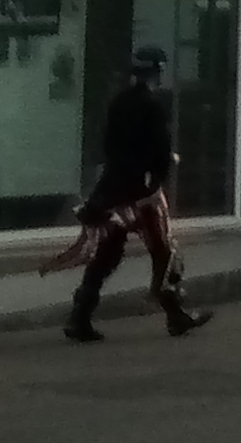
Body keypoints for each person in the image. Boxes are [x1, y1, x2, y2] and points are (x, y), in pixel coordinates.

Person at [65, 44, 207, 344]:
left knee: (107, 254)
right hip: (142, 192)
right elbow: (161, 150)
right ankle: (176, 315)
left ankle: (80, 316)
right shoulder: (153, 105)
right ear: (157, 72)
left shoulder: (119, 101)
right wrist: (158, 177)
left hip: (112, 188)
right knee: (165, 252)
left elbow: (108, 144)